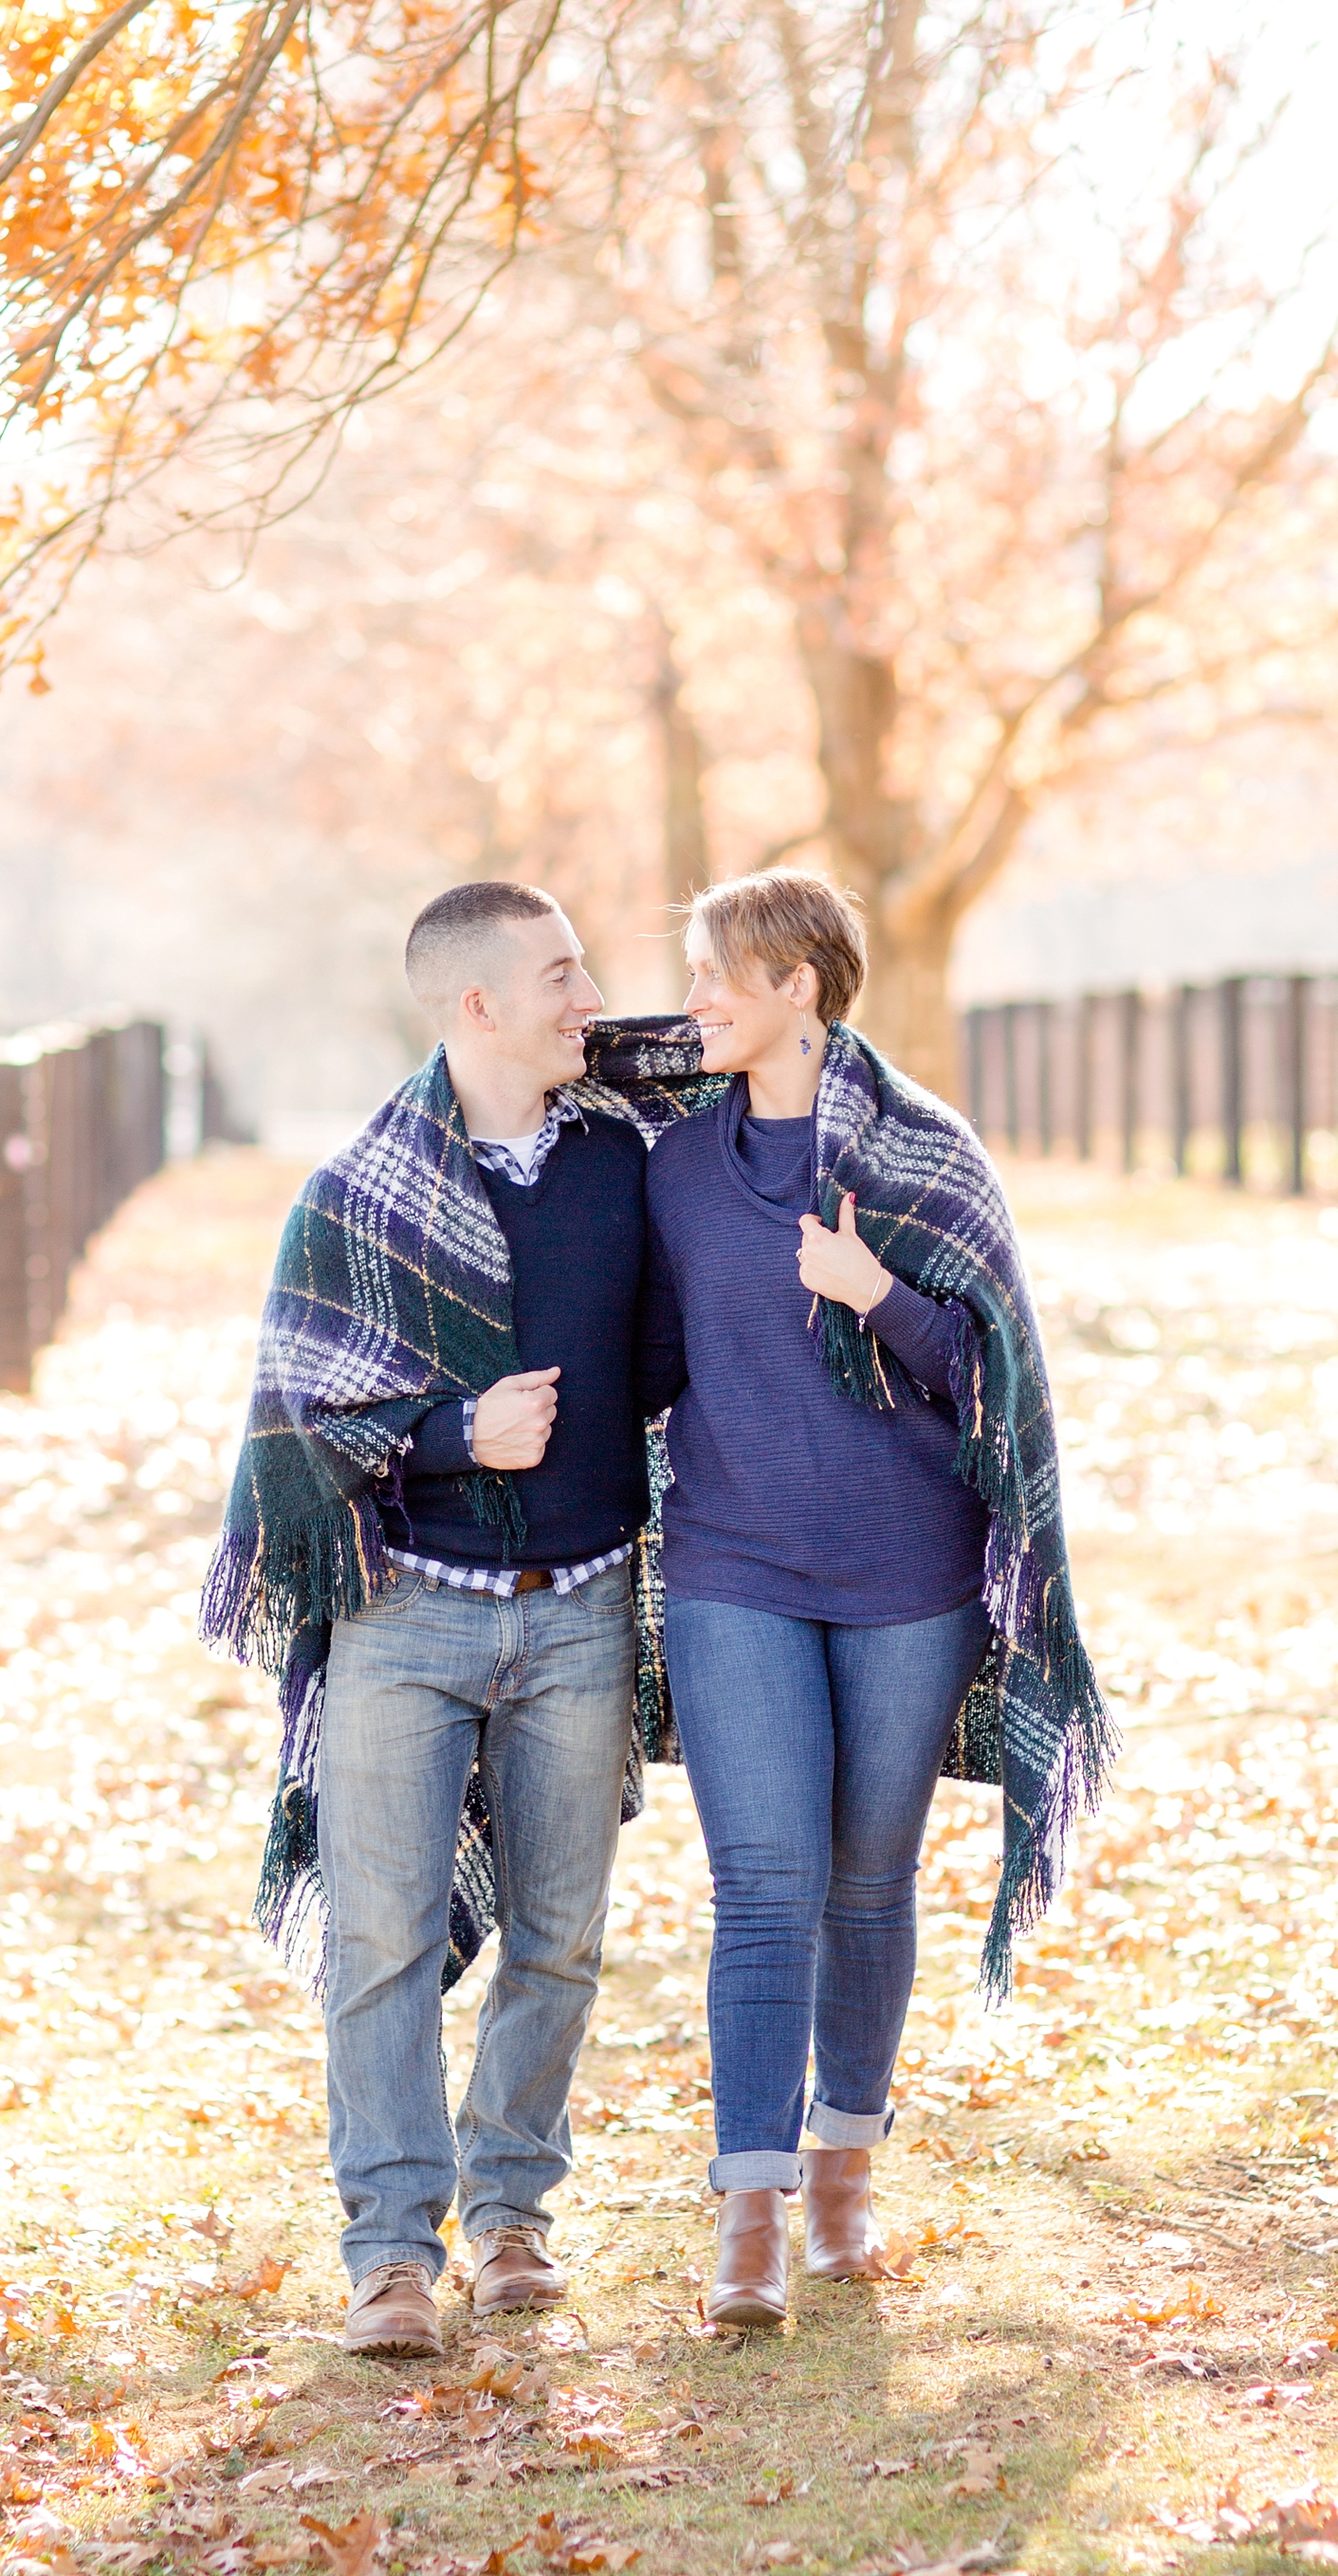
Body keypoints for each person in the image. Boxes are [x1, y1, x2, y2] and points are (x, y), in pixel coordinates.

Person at [201, 881, 680, 2357]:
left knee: (560, 1937)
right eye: (558, 974)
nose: (587, 994)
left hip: (586, 1607)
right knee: (384, 1943)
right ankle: (390, 2254)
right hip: (407, 1615)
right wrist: (455, 1432)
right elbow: (295, 1421)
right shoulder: (361, 1191)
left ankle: (513, 2219)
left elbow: (739, 1060)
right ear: (475, 1006)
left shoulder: (630, 1158)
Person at [636, 868, 1113, 2329]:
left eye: (722, 972)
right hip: (733, 1568)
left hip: (910, 1578)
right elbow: (650, 1351)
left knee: (866, 1883)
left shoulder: (926, 1156)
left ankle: (847, 2171)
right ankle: (751, 2218)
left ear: (800, 987)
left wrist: (876, 1295)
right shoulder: (672, 1162)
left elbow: (1003, 1385)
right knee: (764, 1889)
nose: (697, 996)